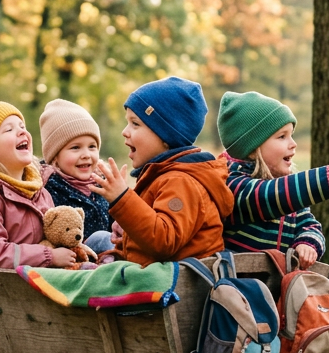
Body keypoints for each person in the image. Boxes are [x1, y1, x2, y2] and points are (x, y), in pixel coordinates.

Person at [216, 91, 329, 267]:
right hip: (241, 284)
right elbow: (270, 196)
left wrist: (307, 242)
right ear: (251, 148)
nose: (293, 143)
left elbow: (309, 224)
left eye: (291, 134)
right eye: (282, 136)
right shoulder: (232, 184)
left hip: (277, 285)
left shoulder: (288, 189)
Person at [90, 77, 234, 266]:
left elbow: (164, 240)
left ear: (166, 136)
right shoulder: (164, 174)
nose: (125, 131)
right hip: (155, 271)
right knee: (96, 239)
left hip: (176, 286)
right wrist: (128, 232)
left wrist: (122, 198)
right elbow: (152, 225)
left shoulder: (181, 180)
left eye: (135, 123)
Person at [0, 102, 80, 269]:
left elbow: (53, 234)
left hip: (32, 281)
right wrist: (49, 256)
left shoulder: (37, 189)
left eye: (22, 126)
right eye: (9, 129)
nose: (22, 131)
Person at [38, 99, 114, 254]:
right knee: (102, 238)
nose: (86, 155)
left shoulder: (103, 183)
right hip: (76, 257)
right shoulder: (50, 188)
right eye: (75, 148)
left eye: (92, 146)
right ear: (55, 157)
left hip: (107, 254)